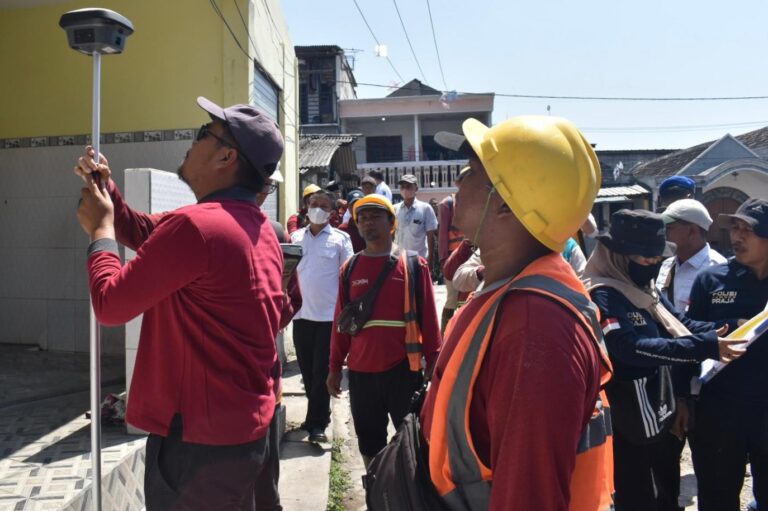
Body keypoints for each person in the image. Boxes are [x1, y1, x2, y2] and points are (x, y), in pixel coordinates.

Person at [74, 97, 285, 509]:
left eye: (205, 133)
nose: (194, 139)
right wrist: (107, 189)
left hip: (198, 447)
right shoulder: (253, 225)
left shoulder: (197, 227)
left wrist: (100, 232)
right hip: (242, 434)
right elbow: (144, 231)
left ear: (226, 156)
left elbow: (110, 305)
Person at [420, 116, 614, 510]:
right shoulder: (507, 290)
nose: (459, 182)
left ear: (505, 205)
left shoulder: (535, 329)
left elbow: (529, 498)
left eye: (473, 172)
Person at [583, 209, 745, 511]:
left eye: (657, 259)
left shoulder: (644, 288)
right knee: (639, 495)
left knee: (664, 494)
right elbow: (629, 348)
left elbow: (676, 322)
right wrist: (703, 346)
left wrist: (730, 328)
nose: (653, 265)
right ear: (619, 255)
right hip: (627, 417)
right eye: (645, 259)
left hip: (658, 409)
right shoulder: (603, 294)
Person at [326, 195, 441, 468]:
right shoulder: (349, 268)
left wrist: (435, 362)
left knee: (412, 442)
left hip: (404, 371)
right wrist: (333, 368)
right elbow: (341, 325)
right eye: (362, 218)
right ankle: (376, 494)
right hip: (361, 374)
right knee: (369, 443)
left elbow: (429, 320)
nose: (368, 222)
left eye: (375, 216)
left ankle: (411, 497)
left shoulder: (413, 265)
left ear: (391, 222)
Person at [687, 198, 768, 511]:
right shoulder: (711, 280)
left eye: (748, 230)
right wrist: (727, 327)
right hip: (719, 410)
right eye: (735, 227)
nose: (738, 236)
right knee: (717, 496)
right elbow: (687, 332)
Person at [290, 189, 353, 443]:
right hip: (301, 315)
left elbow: (347, 275)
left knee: (320, 372)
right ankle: (313, 415)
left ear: (332, 211)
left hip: (329, 318)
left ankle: (318, 424)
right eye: (313, 204)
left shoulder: (340, 239)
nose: (317, 208)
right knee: (306, 372)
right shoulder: (294, 238)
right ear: (306, 207)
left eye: (323, 205)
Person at [656, 199, 726, 313]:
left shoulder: (718, 268)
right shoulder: (667, 265)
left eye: (669, 228)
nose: (664, 234)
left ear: (692, 231)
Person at [393, 174, 438, 264]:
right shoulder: (394, 209)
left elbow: (430, 236)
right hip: (399, 260)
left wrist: (430, 260)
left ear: (416, 189)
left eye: (408, 186)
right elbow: (391, 235)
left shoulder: (425, 208)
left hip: (419, 260)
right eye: (402, 187)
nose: (405, 189)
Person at [437, 189, 466, 331]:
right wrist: (444, 260)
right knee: (452, 300)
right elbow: (442, 234)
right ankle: (445, 337)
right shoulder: (447, 204)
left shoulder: (477, 200)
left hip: (471, 257)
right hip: (453, 259)